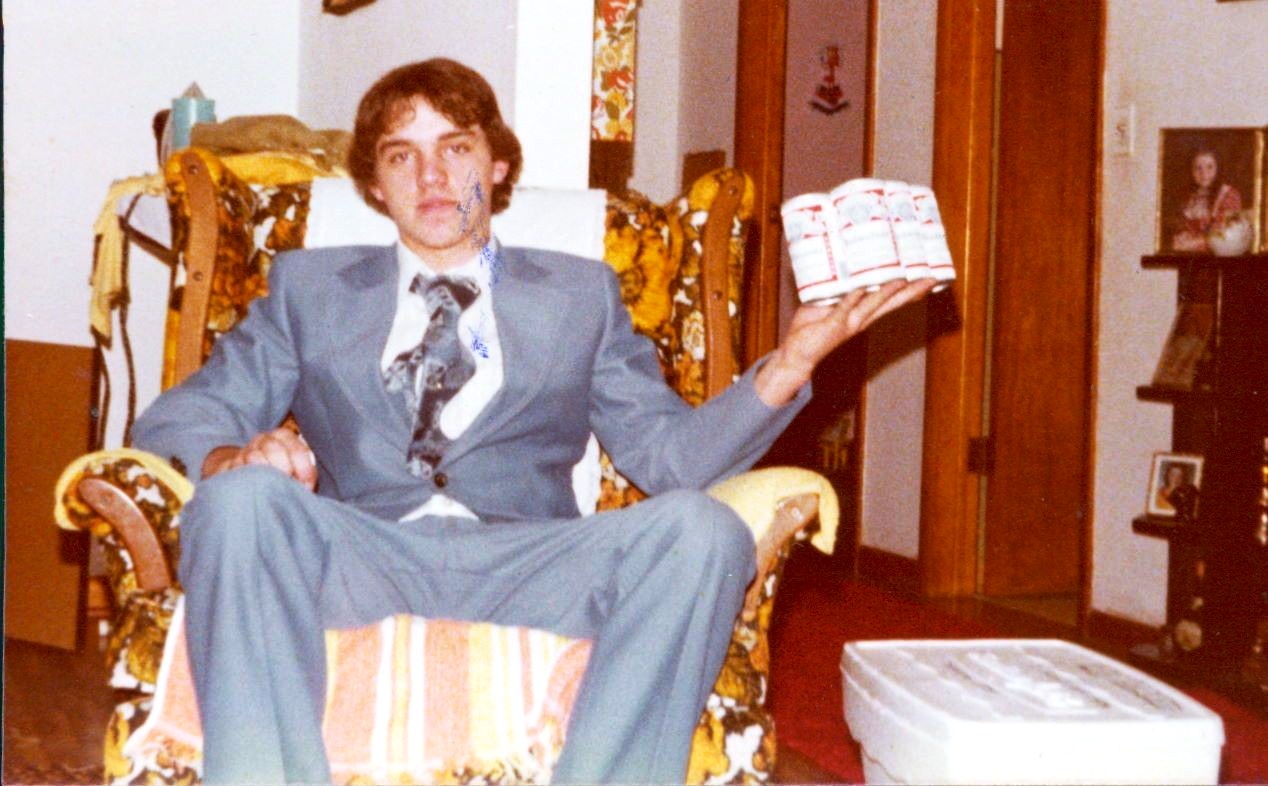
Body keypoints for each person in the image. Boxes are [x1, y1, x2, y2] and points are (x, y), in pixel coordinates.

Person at [133, 58, 934, 785]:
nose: (432, 176)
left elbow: (669, 459)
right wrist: (234, 456)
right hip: (362, 554)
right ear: (374, 186)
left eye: (456, 148)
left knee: (701, 530)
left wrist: (790, 363)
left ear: (498, 165)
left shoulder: (581, 295)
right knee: (239, 503)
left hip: (530, 560)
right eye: (401, 156)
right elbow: (184, 415)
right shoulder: (309, 288)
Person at [1170, 145, 1243, 253]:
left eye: (1209, 167)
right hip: (1191, 254)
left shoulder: (1228, 195)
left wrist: (1194, 244)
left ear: (1218, 168)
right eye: (1198, 168)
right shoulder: (1189, 197)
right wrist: (1182, 237)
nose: (1204, 173)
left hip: (1218, 257)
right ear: (1191, 170)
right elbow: (1183, 227)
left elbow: (1225, 236)